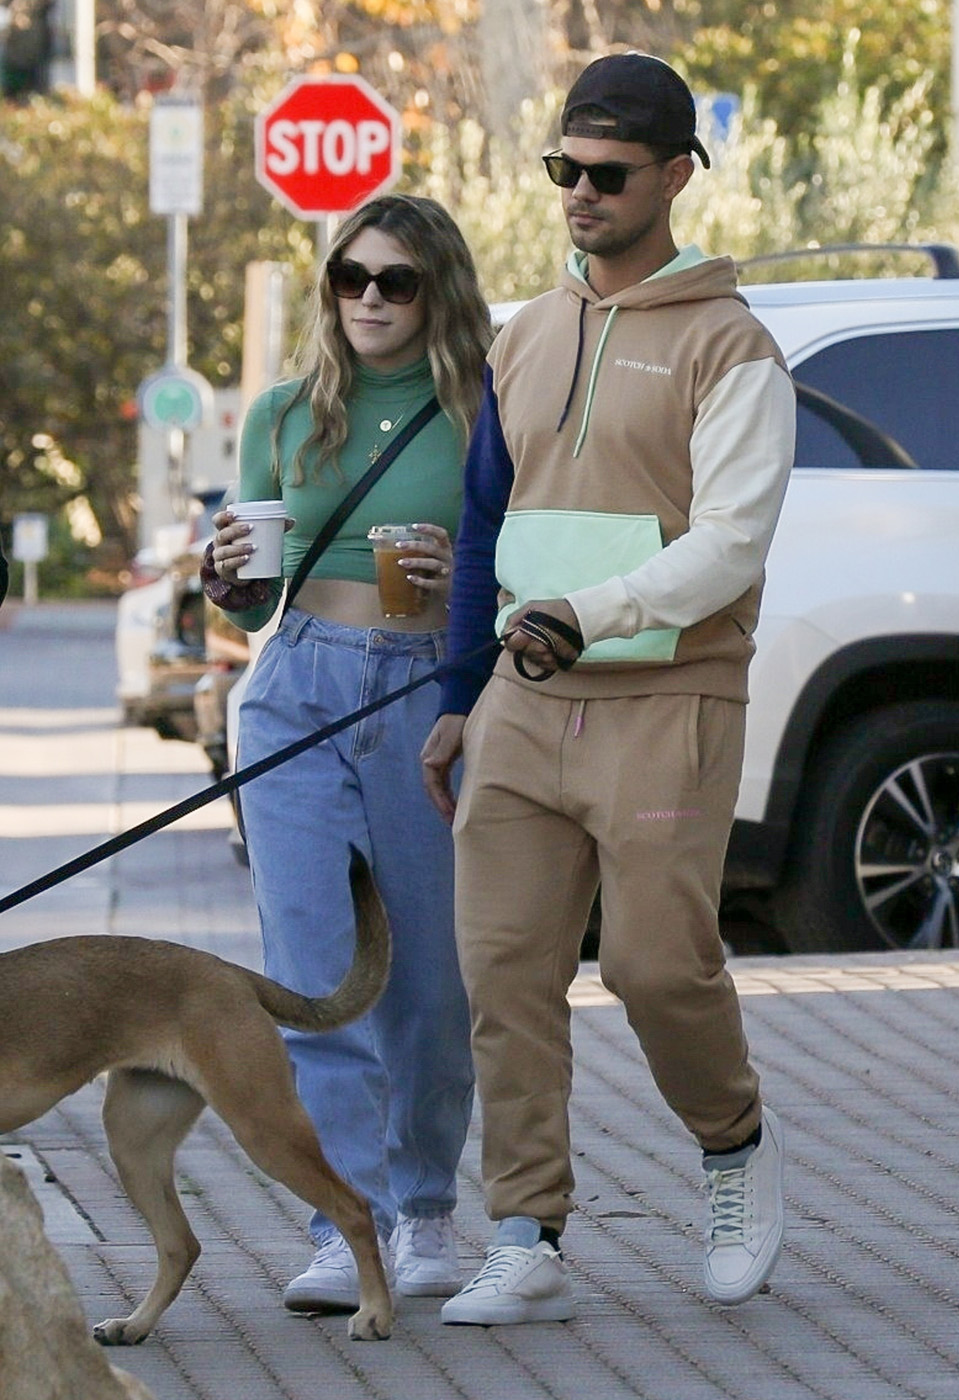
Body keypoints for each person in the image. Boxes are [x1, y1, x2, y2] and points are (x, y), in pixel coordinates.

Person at [421, 52, 797, 1325]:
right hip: (524, 702)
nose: (579, 192)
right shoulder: (523, 332)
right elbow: (485, 525)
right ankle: (523, 1227)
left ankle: (734, 1142)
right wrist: (460, 694)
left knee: (652, 965)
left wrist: (592, 614)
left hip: (667, 699)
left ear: (678, 174)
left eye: (608, 172)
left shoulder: (732, 345)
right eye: (562, 169)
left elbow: (731, 543)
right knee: (505, 970)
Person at [203, 194, 493, 1311]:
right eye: (349, 277)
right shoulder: (282, 412)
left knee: (426, 978)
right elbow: (253, 598)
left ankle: (423, 1209)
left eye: (397, 281)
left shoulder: (481, 410)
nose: (368, 299)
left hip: (429, 692)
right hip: (297, 689)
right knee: (318, 977)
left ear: (438, 292)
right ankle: (341, 1218)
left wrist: (458, 578)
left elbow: (513, 565)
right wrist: (228, 576)